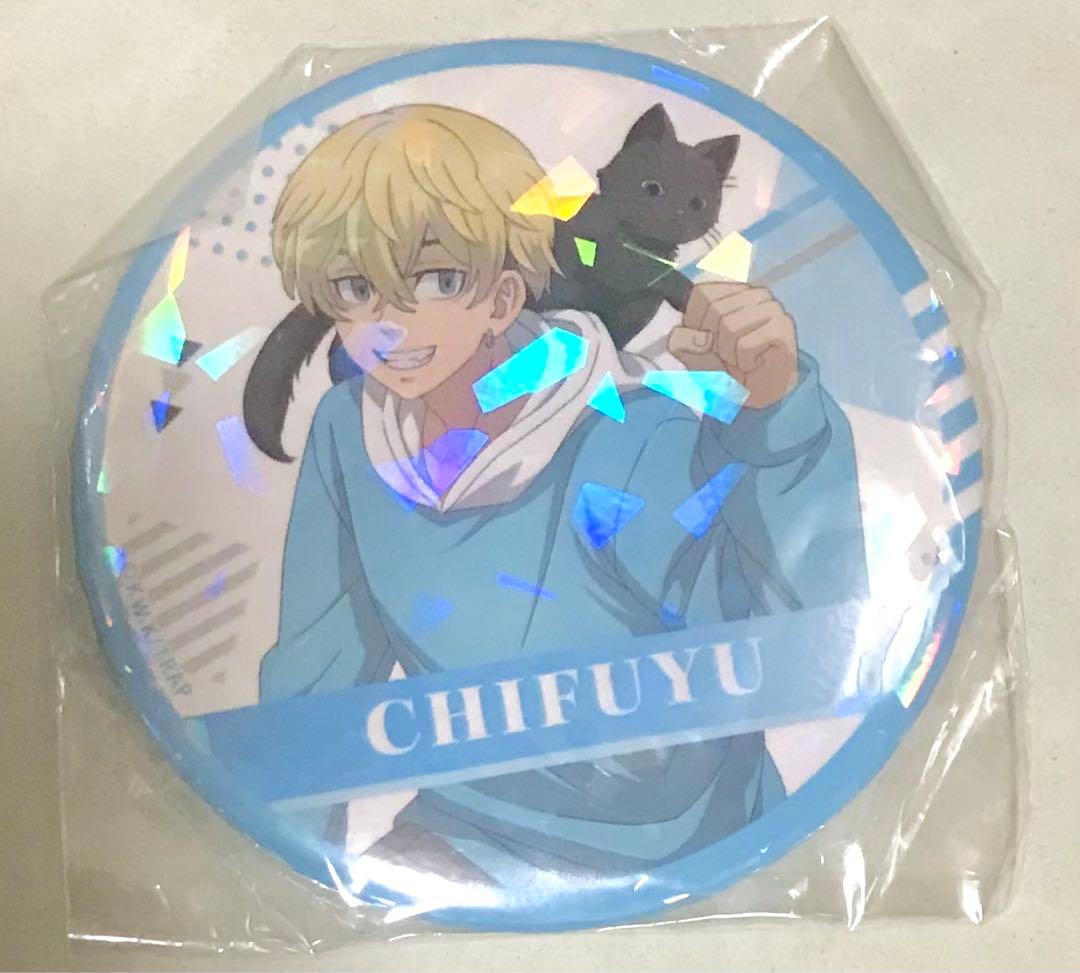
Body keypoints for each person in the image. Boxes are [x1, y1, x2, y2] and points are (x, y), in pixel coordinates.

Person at [242, 103, 866, 887]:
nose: (391, 322)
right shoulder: (349, 428)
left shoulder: (631, 433)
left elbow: (811, 635)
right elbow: (315, 676)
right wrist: (282, 856)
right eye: (356, 286)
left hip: (683, 845)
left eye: (438, 280)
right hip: (466, 830)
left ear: (505, 296)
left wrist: (779, 415)